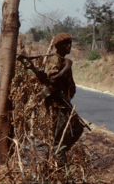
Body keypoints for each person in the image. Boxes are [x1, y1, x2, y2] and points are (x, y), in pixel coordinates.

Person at [37, 33, 84, 166]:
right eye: (65, 43)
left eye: (70, 43)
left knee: (77, 128)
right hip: (58, 104)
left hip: (64, 102)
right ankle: (59, 165)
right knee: (60, 136)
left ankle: (58, 155)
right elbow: (52, 79)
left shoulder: (61, 59)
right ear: (58, 46)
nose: (69, 46)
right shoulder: (55, 59)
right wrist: (66, 68)